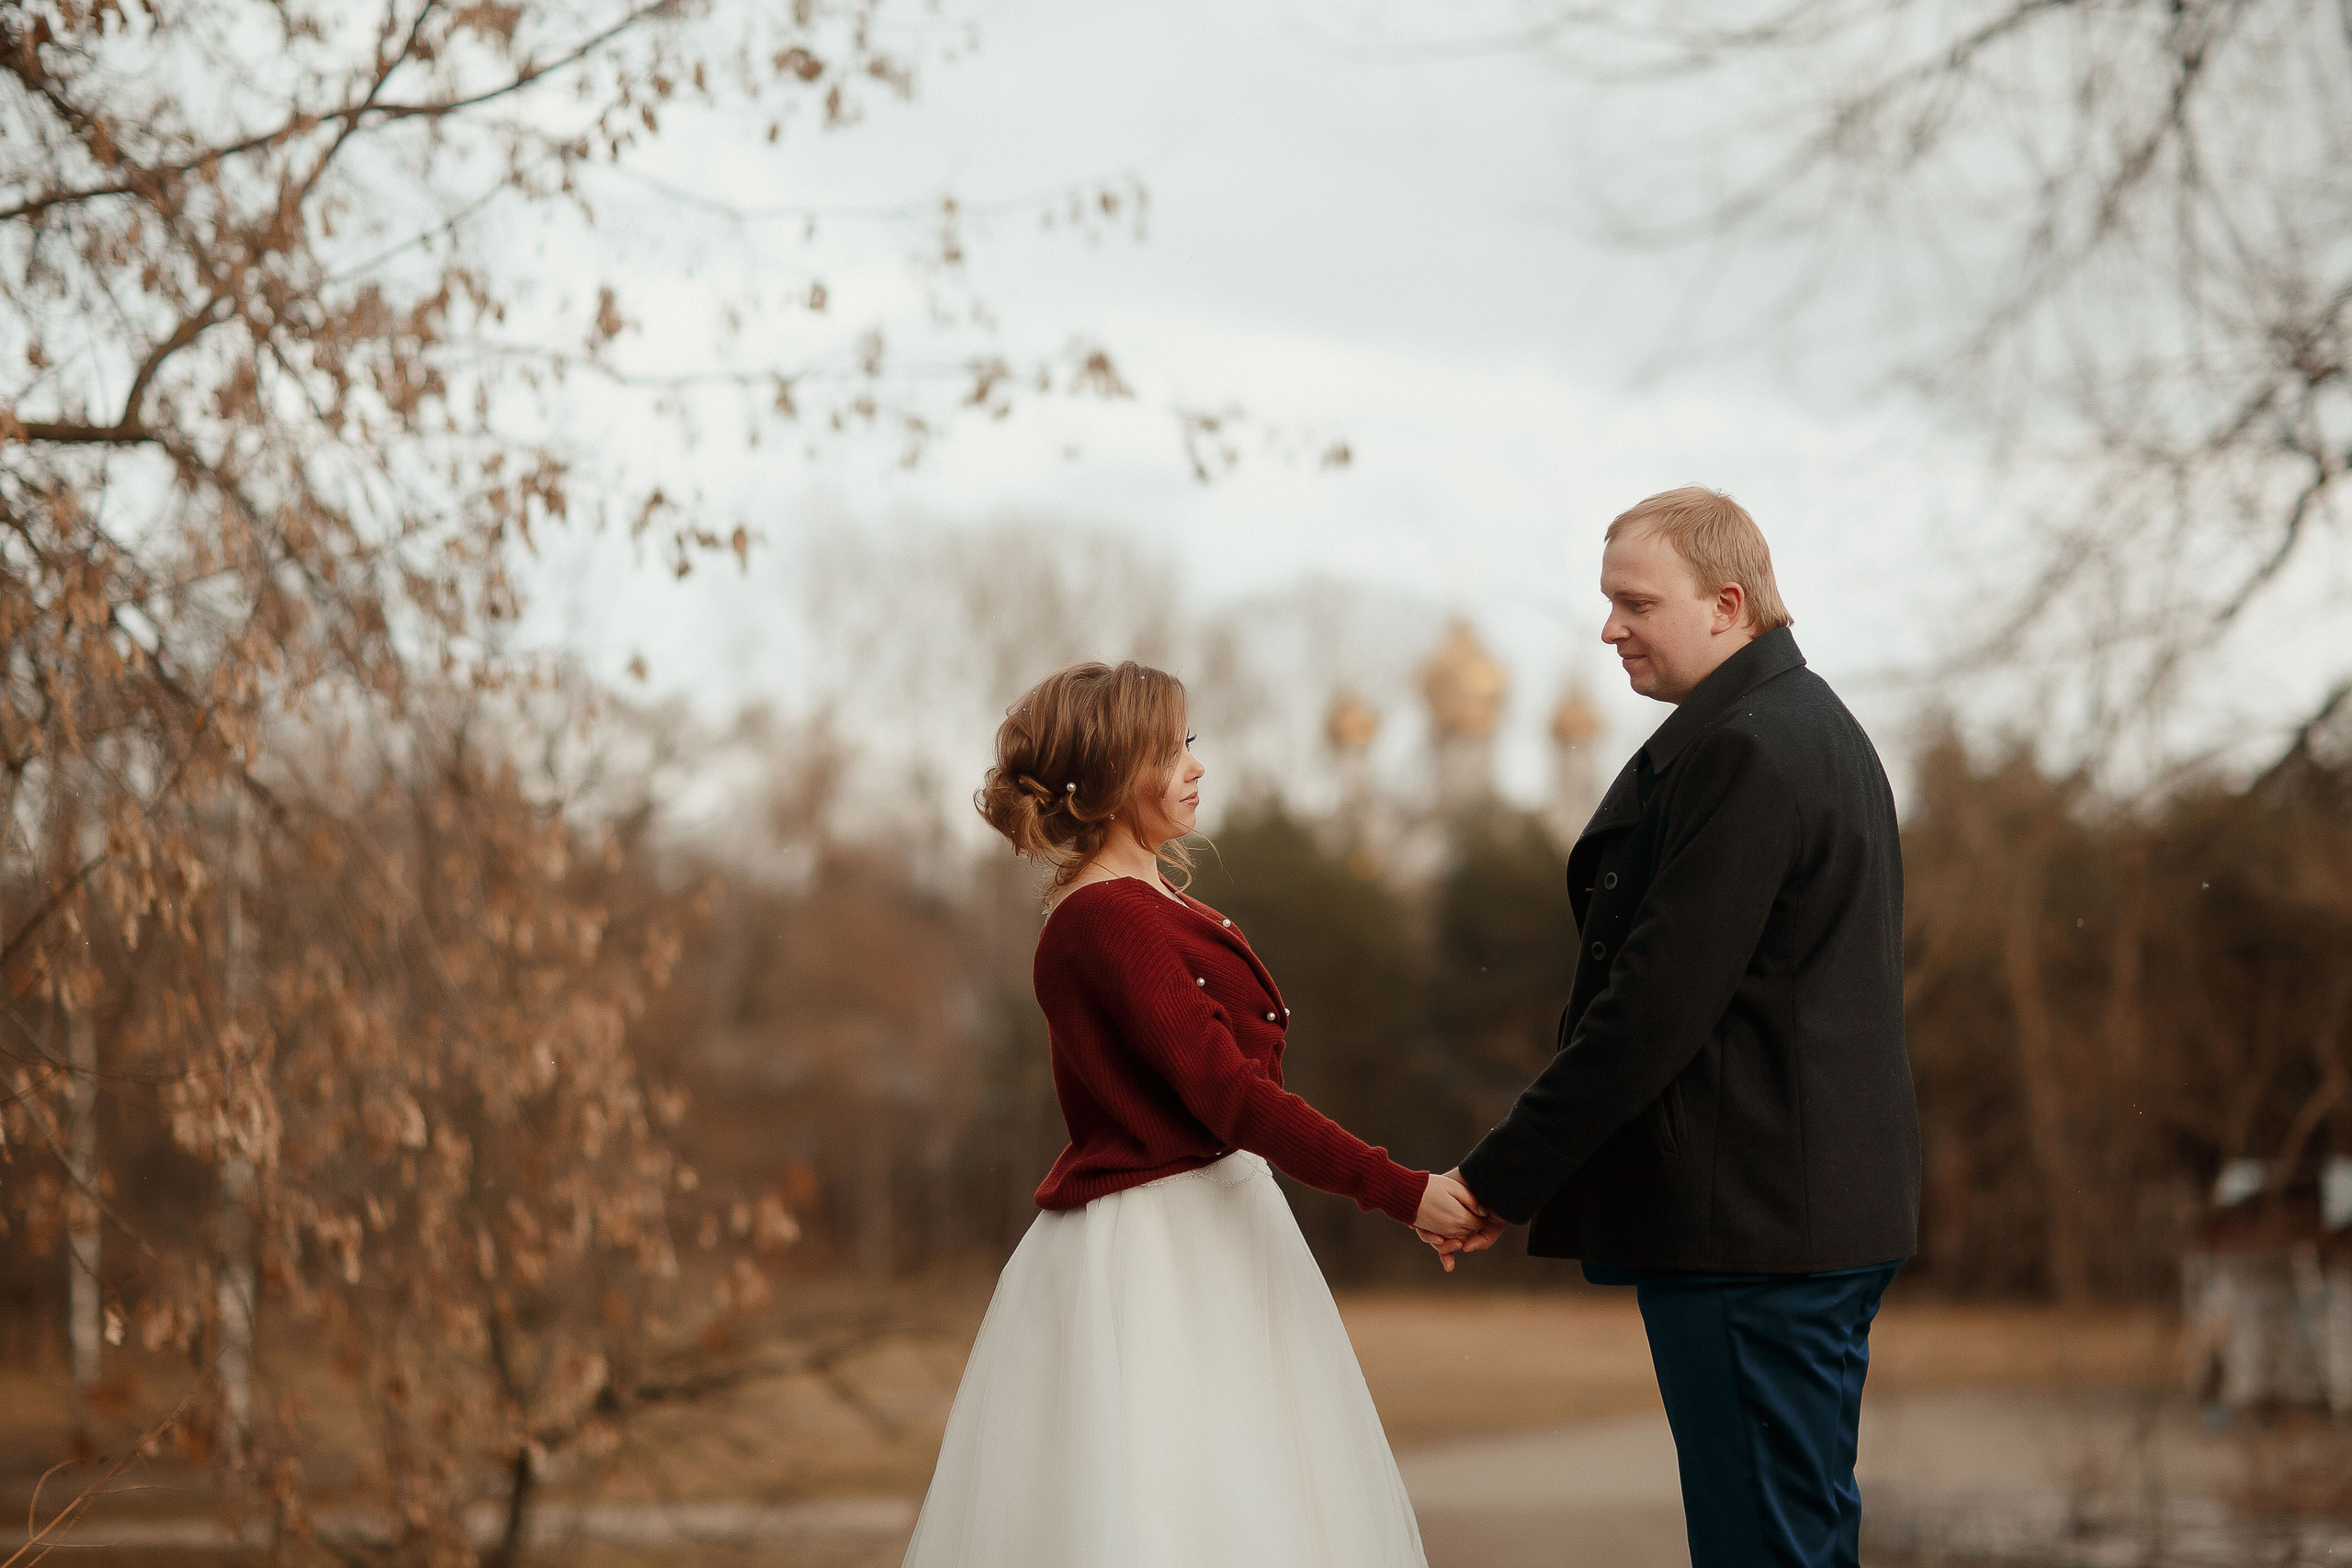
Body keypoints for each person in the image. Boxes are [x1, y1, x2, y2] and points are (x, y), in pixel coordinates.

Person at [902, 659, 1485, 1568]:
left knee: (1249, 1499)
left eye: (1189, 746)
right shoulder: (1103, 920)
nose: (1194, 767)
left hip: (1217, 1223)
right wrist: (1402, 1192)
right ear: (1102, 781)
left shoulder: (1153, 906)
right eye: (1167, 752)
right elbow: (1231, 1095)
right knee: (1175, 1508)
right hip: (1156, 1253)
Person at [1431, 487, 1921, 1568]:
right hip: (1805, 1217)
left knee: (1763, 1547)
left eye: (1634, 603)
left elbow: (1649, 1012)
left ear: (1726, 604)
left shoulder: (1748, 752)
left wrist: (1498, 1177)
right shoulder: (1808, 729)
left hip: (1752, 1229)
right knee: (1797, 1538)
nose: (1610, 629)